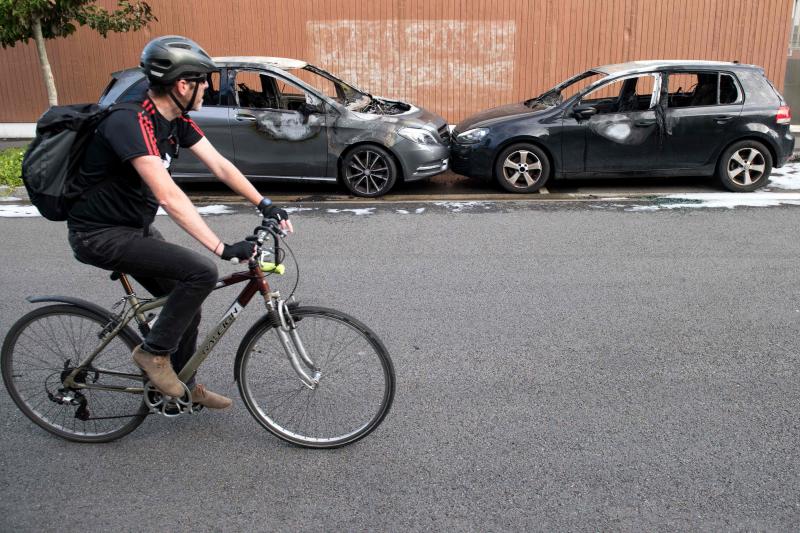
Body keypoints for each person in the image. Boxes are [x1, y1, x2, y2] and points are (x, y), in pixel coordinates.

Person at [67, 35, 293, 410]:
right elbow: (170, 197)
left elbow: (220, 164)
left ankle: (178, 387)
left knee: (188, 300)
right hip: (98, 235)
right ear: (182, 85)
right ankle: (153, 355)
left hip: (132, 227)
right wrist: (221, 248)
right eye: (204, 81)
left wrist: (265, 204)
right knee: (202, 272)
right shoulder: (129, 121)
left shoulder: (173, 118)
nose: (209, 88)